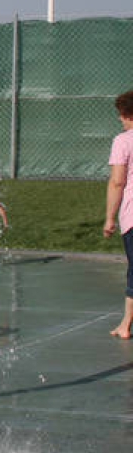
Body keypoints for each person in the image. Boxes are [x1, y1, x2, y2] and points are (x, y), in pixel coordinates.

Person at [104, 90, 133, 338]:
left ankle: (126, 326)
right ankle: (126, 322)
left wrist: (109, 218)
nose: (120, 120)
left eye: (122, 115)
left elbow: (117, 182)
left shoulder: (123, 141)